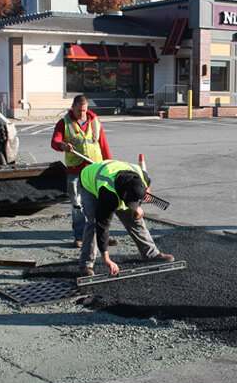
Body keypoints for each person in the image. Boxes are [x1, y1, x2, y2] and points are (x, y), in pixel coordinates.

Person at [79, 159, 175, 277]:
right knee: (93, 222)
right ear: (123, 194)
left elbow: (142, 190)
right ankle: (86, 265)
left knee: (134, 218)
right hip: (89, 180)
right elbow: (102, 225)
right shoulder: (108, 192)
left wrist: (138, 207)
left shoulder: (142, 177)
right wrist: (107, 259)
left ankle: (150, 253)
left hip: (115, 177)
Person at [51, 94, 116, 248]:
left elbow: (103, 144)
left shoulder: (95, 121)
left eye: (84, 110)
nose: (82, 113)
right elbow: (55, 141)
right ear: (73, 107)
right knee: (77, 205)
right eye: (79, 110)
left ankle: (103, 235)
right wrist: (63, 146)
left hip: (95, 170)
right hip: (76, 170)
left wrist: (109, 165)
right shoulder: (64, 123)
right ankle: (79, 236)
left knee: (101, 204)